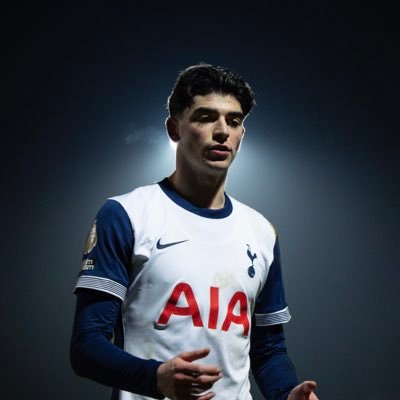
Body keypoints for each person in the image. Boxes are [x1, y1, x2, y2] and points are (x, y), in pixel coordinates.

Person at [71, 63, 319, 400]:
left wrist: (287, 392)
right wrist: (156, 378)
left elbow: (268, 350)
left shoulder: (261, 232)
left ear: (242, 134)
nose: (222, 131)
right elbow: (87, 346)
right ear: (174, 128)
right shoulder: (127, 214)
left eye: (234, 121)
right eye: (205, 117)